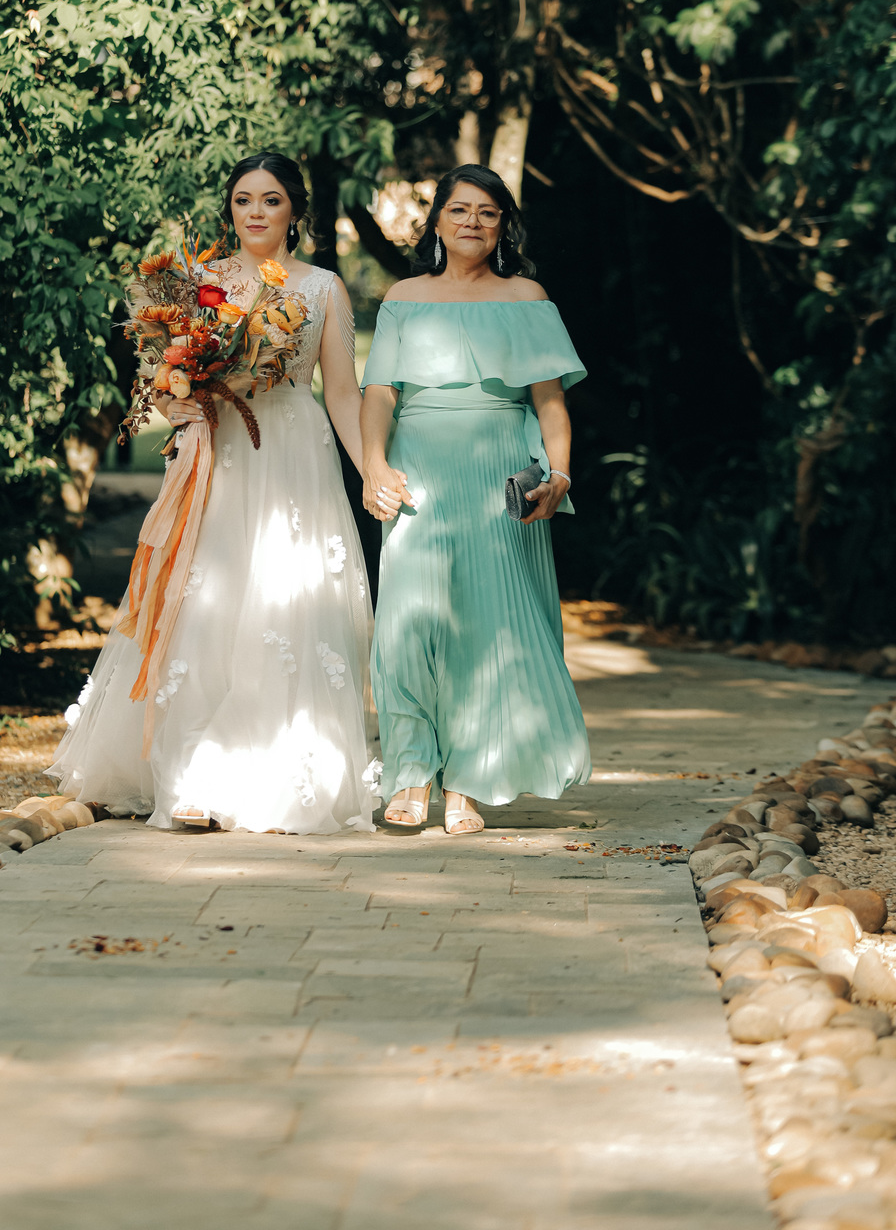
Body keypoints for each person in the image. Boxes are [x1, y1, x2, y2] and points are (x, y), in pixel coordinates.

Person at [48, 152, 378, 834]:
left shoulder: (323, 289)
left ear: (295, 210)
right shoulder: (198, 284)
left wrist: (372, 468)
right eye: (243, 199)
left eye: (271, 200)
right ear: (230, 209)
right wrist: (177, 398)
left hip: (292, 455)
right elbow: (162, 373)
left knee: (283, 602)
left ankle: (276, 776)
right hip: (217, 454)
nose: (256, 212)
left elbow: (343, 394)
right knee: (204, 602)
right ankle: (194, 777)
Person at [360, 164, 591, 834]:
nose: (473, 222)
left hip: (500, 476)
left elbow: (550, 403)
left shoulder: (526, 297)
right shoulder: (405, 296)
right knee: (408, 625)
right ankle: (409, 773)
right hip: (418, 472)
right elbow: (380, 394)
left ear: (502, 227)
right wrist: (373, 464)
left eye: (488, 213)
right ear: (437, 220)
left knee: (488, 628)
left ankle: (468, 781)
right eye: (460, 209)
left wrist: (560, 474)